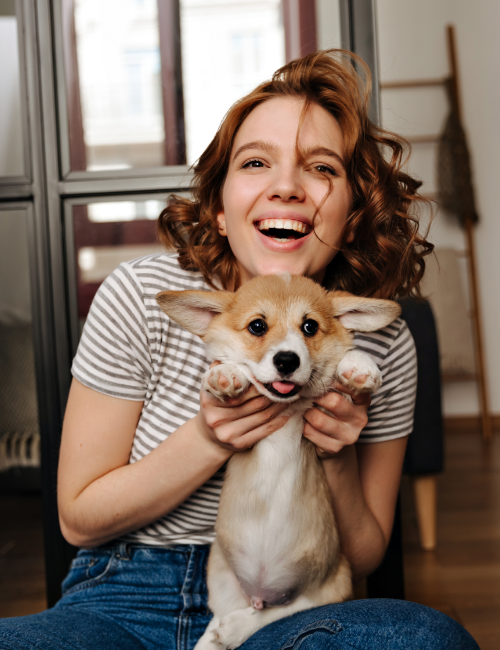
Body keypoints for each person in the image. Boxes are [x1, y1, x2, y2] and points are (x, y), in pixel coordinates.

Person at [0, 50, 478, 650]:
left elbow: (363, 554)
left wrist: (333, 451)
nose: (286, 186)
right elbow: (77, 517)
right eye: (256, 162)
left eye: (321, 169)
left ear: (352, 216)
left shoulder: (376, 341)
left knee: (423, 639)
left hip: (296, 606)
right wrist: (210, 434)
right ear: (221, 211)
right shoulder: (141, 294)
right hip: (123, 595)